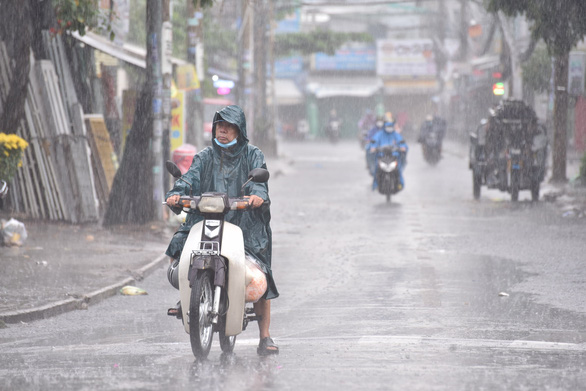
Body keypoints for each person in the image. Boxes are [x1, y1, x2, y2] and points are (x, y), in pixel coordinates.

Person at [164, 105, 279, 356]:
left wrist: (256, 198)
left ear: (240, 130)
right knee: (180, 244)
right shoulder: (204, 157)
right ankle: (189, 296)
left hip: (245, 224)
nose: (223, 131)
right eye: (219, 126)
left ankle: (265, 336)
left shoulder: (253, 155)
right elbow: (188, 179)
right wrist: (176, 195)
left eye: (229, 127)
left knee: (261, 274)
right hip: (204, 219)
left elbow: (260, 187)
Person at [369, 120, 408, 190]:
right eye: (388, 126)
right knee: (377, 169)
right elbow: (374, 142)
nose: (389, 128)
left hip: (393, 156)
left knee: (398, 169)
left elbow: (402, 142)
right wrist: (373, 147)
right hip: (382, 156)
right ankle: (375, 184)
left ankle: (400, 184)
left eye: (390, 126)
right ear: (384, 127)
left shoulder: (396, 135)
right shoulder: (379, 134)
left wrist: (403, 147)